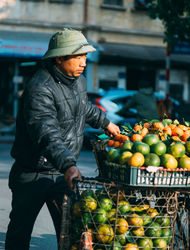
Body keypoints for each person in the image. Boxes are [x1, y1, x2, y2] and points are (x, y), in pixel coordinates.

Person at [5, 28, 120, 250]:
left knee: (71, 234)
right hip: (33, 173)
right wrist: (68, 163)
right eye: (78, 56)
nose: (83, 62)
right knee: (19, 234)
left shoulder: (78, 81)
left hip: (63, 175)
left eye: (85, 56)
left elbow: (82, 108)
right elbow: (46, 133)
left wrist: (106, 123)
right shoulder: (39, 89)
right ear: (59, 57)